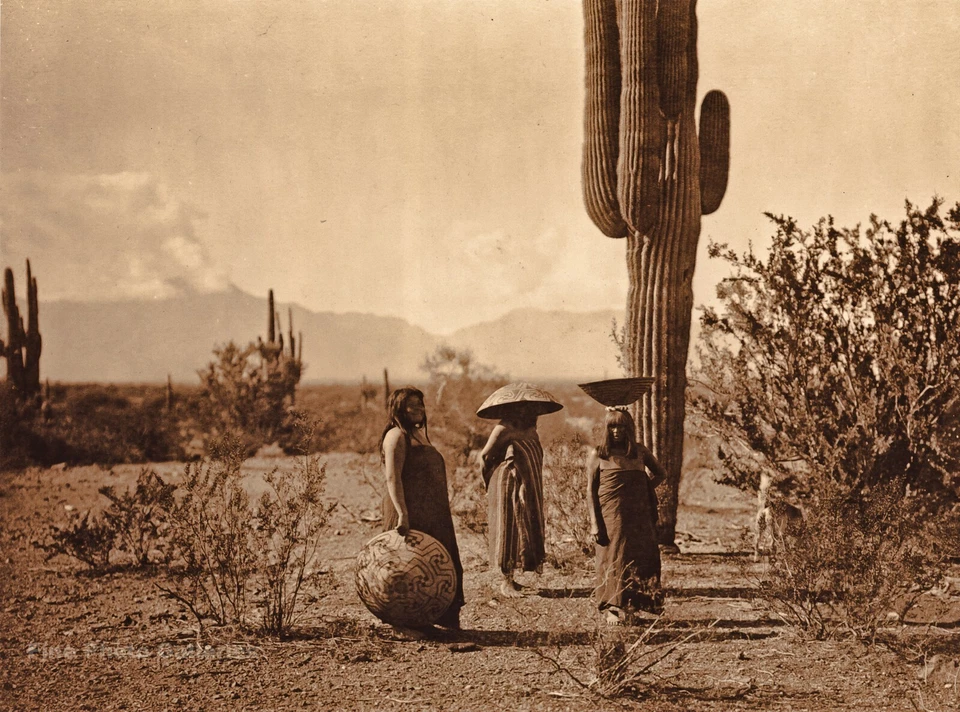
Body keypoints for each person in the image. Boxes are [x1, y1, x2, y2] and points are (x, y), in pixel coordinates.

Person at [380, 387, 464, 629]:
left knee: (439, 563)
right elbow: (392, 478)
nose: (419, 409)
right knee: (408, 567)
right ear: (398, 409)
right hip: (409, 510)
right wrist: (403, 514)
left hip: (433, 512)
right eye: (412, 405)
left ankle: (441, 617)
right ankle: (408, 623)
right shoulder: (396, 436)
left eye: (420, 404)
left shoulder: (418, 434)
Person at [586, 406, 666, 624]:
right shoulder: (599, 454)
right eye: (612, 426)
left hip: (639, 515)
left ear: (629, 428)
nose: (616, 431)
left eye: (621, 426)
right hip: (611, 515)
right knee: (611, 556)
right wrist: (594, 523)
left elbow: (661, 472)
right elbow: (590, 490)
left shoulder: (640, 452)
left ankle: (633, 606)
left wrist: (642, 489)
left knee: (639, 557)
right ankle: (612, 606)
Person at [480, 402, 547, 598]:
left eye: (531, 408)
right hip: (507, 482)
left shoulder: (531, 429)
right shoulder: (504, 428)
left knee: (522, 526)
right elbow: (485, 456)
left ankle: (513, 577)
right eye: (523, 408)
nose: (528, 412)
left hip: (528, 484)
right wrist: (489, 477)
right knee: (507, 526)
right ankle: (505, 581)